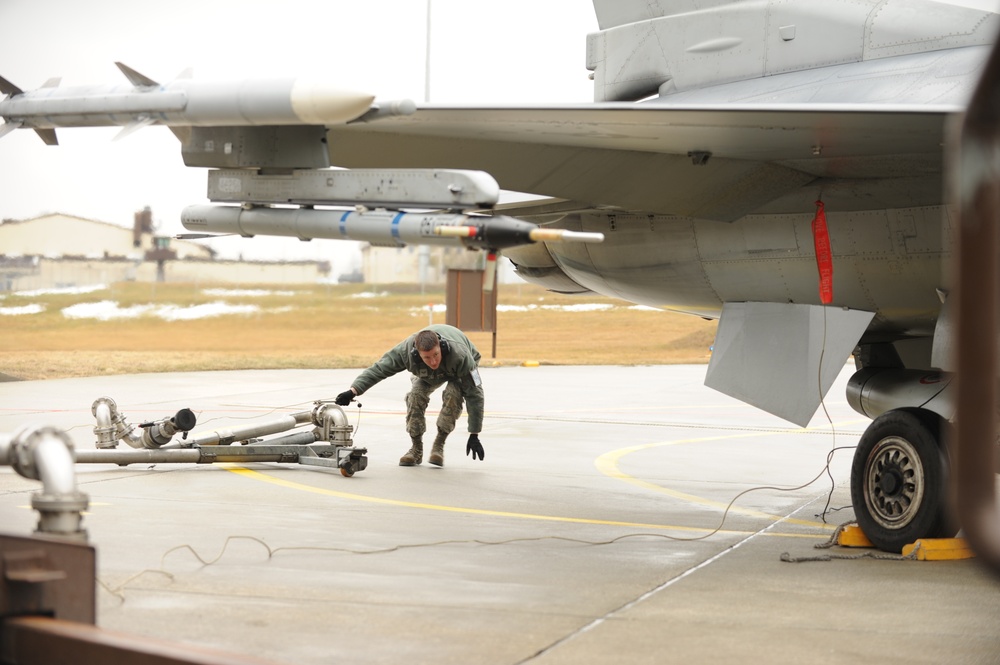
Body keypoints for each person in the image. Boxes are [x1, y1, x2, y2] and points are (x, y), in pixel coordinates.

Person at [335, 323, 485, 467]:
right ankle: (416, 449)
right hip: (427, 375)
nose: (433, 361)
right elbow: (379, 369)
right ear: (417, 355)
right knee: (415, 396)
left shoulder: (461, 356)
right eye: (427, 357)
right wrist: (353, 391)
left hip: (456, 370)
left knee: (453, 395)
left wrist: (474, 434)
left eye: (436, 355)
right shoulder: (405, 352)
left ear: (442, 347)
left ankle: (439, 444)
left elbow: (475, 393)